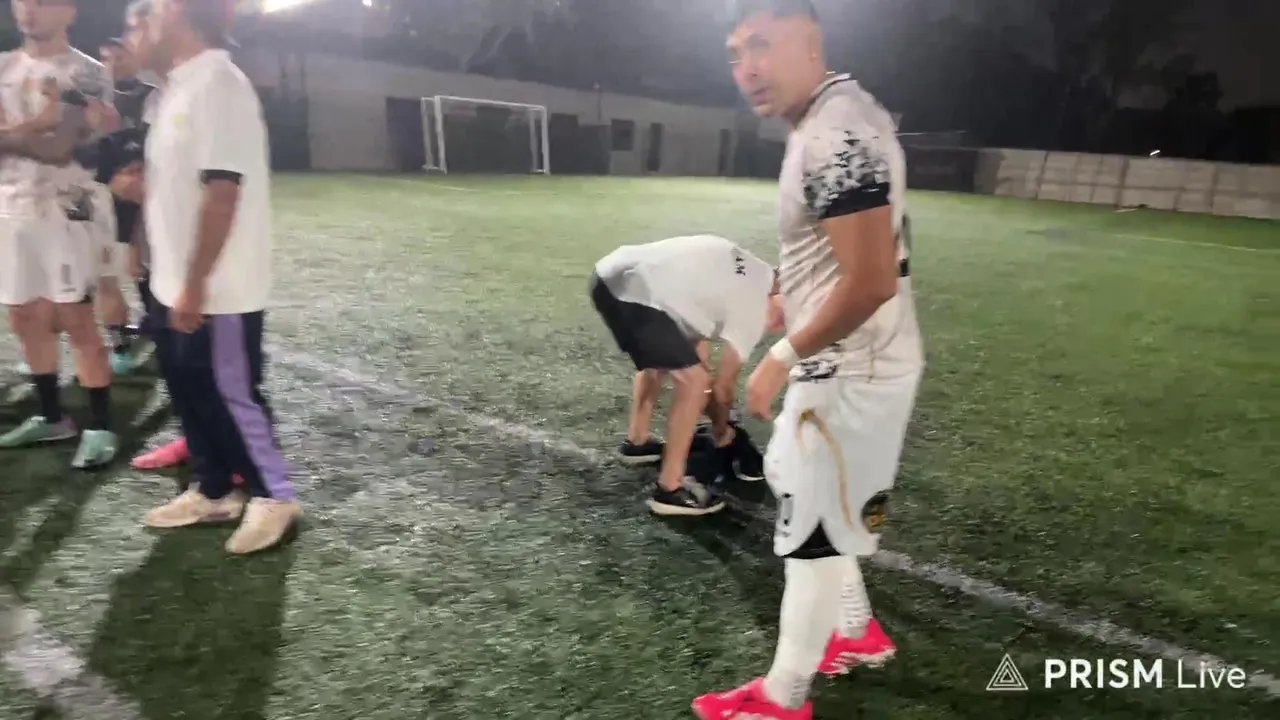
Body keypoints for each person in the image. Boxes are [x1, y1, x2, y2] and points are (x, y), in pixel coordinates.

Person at [694, 2, 924, 718]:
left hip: (849, 369)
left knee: (814, 539)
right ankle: (855, 633)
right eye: (736, 54)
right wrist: (789, 295)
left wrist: (782, 354)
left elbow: (871, 279)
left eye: (762, 45)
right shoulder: (834, 118)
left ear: (812, 42)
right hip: (847, 359)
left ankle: (783, 697)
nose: (747, 68)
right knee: (796, 484)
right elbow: (851, 246)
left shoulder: (835, 131)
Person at [120, 0, 299, 554]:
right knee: (187, 386)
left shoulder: (220, 83)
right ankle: (215, 489)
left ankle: (275, 495)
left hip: (219, 285)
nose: (132, 30)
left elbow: (223, 192)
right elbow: (180, 187)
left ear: (175, 12)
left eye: (141, 17)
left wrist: (197, 282)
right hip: (174, 278)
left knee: (231, 393)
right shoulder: (172, 90)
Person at [0, 0, 119, 469]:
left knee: (77, 318)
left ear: (69, 11)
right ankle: (51, 417)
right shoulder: (3, 66)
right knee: (24, 316)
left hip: (66, 208)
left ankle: (100, 425)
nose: (28, 11)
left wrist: (17, 133)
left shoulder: (87, 72)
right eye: (21, 1)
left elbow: (61, 148)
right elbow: (46, 136)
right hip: (10, 207)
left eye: (42, 2)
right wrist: (40, 123)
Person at [590, 235, 779, 516]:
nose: (780, 327)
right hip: (634, 293)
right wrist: (723, 432)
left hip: (608, 274)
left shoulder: (749, 267)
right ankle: (671, 488)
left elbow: (693, 347)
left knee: (664, 361)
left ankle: (638, 443)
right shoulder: (754, 307)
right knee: (694, 381)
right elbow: (722, 389)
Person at [92, 34, 159, 375]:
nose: (113, 65)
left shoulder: (152, 96)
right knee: (105, 272)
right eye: (106, 58)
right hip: (102, 192)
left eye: (120, 57)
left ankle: (156, 321)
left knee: (144, 264)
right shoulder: (93, 98)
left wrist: (137, 172)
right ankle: (120, 341)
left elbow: (154, 144)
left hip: (143, 189)